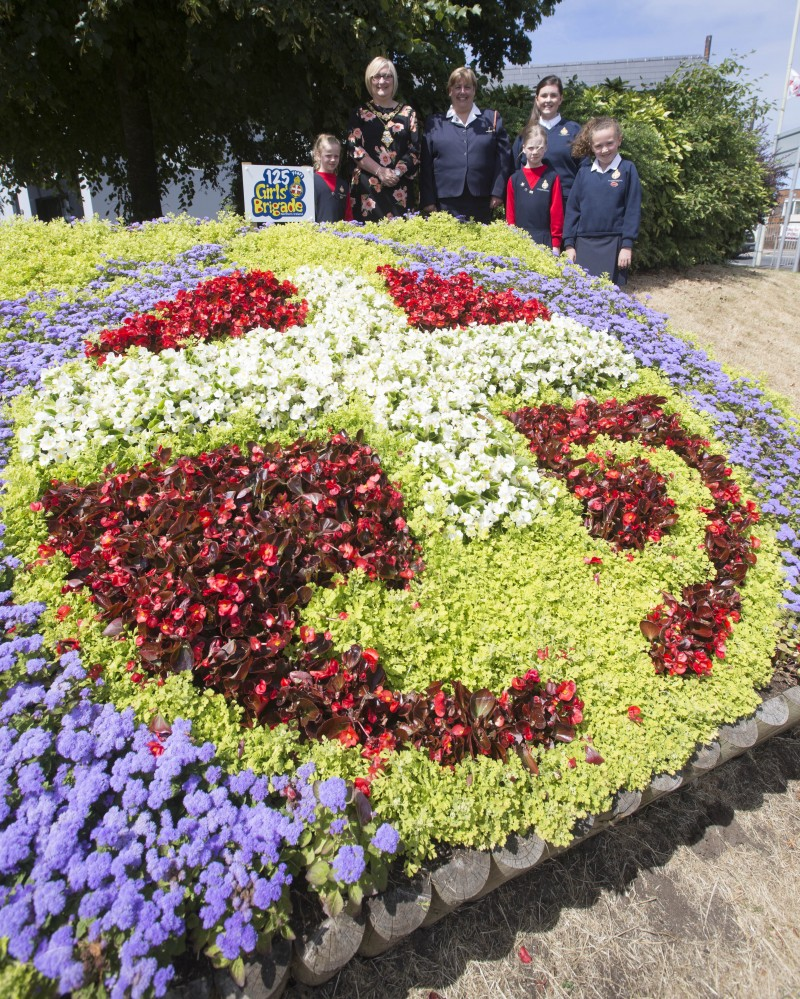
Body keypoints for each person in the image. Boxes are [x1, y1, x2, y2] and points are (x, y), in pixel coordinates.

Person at [420, 66, 512, 223]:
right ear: (450, 91)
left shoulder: (492, 119)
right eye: (457, 87)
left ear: (474, 90)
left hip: (481, 199)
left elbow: (503, 158)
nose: (462, 92)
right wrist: (428, 200)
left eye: (467, 87)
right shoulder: (435, 122)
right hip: (444, 200)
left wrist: (498, 192)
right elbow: (425, 163)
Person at [562, 117, 642, 286]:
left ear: (619, 140)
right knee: (582, 295)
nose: (604, 150)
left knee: (611, 299)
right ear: (591, 147)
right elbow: (573, 209)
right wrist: (569, 245)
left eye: (609, 143)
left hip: (615, 244)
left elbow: (632, 210)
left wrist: (626, 246)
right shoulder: (584, 173)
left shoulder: (627, 170)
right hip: (584, 244)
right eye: (598, 146)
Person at [346, 57, 419, 221]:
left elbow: (415, 150)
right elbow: (354, 148)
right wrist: (379, 171)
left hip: (399, 189)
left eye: (387, 76)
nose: (382, 81)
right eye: (376, 76)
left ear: (394, 80)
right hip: (367, 192)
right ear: (369, 80)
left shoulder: (408, 113)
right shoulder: (359, 113)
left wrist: (395, 173)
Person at [512, 75, 581, 210]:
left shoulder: (574, 130)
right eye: (544, 96)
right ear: (537, 100)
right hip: (531, 204)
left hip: (566, 203)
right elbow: (514, 170)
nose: (548, 100)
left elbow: (583, 170)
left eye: (553, 95)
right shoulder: (526, 134)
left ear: (561, 99)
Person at [505, 123, 563, 253]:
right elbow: (510, 214)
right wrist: (511, 238)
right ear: (524, 148)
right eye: (531, 148)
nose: (535, 152)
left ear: (545, 149)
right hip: (519, 239)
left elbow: (556, 213)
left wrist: (556, 244)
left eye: (539, 148)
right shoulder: (514, 179)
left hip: (544, 239)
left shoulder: (552, 177)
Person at [312, 135, 353, 223]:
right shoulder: (310, 181)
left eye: (336, 156)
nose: (333, 159)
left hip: (339, 235)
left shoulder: (343, 184)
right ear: (318, 155)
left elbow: (348, 217)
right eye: (328, 156)